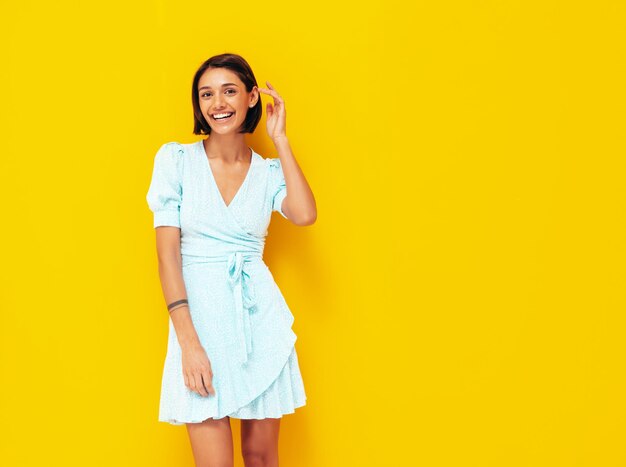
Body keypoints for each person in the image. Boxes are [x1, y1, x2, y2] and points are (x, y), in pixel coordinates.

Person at [146, 53, 317, 467]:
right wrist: (189, 344)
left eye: (229, 91)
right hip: (198, 324)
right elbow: (167, 257)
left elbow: (305, 214)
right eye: (206, 94)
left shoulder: (269, 171)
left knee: (261, 457)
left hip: (258, 320)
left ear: (252, 98)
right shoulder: (176, 161)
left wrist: (281, 139)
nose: (217, 103)